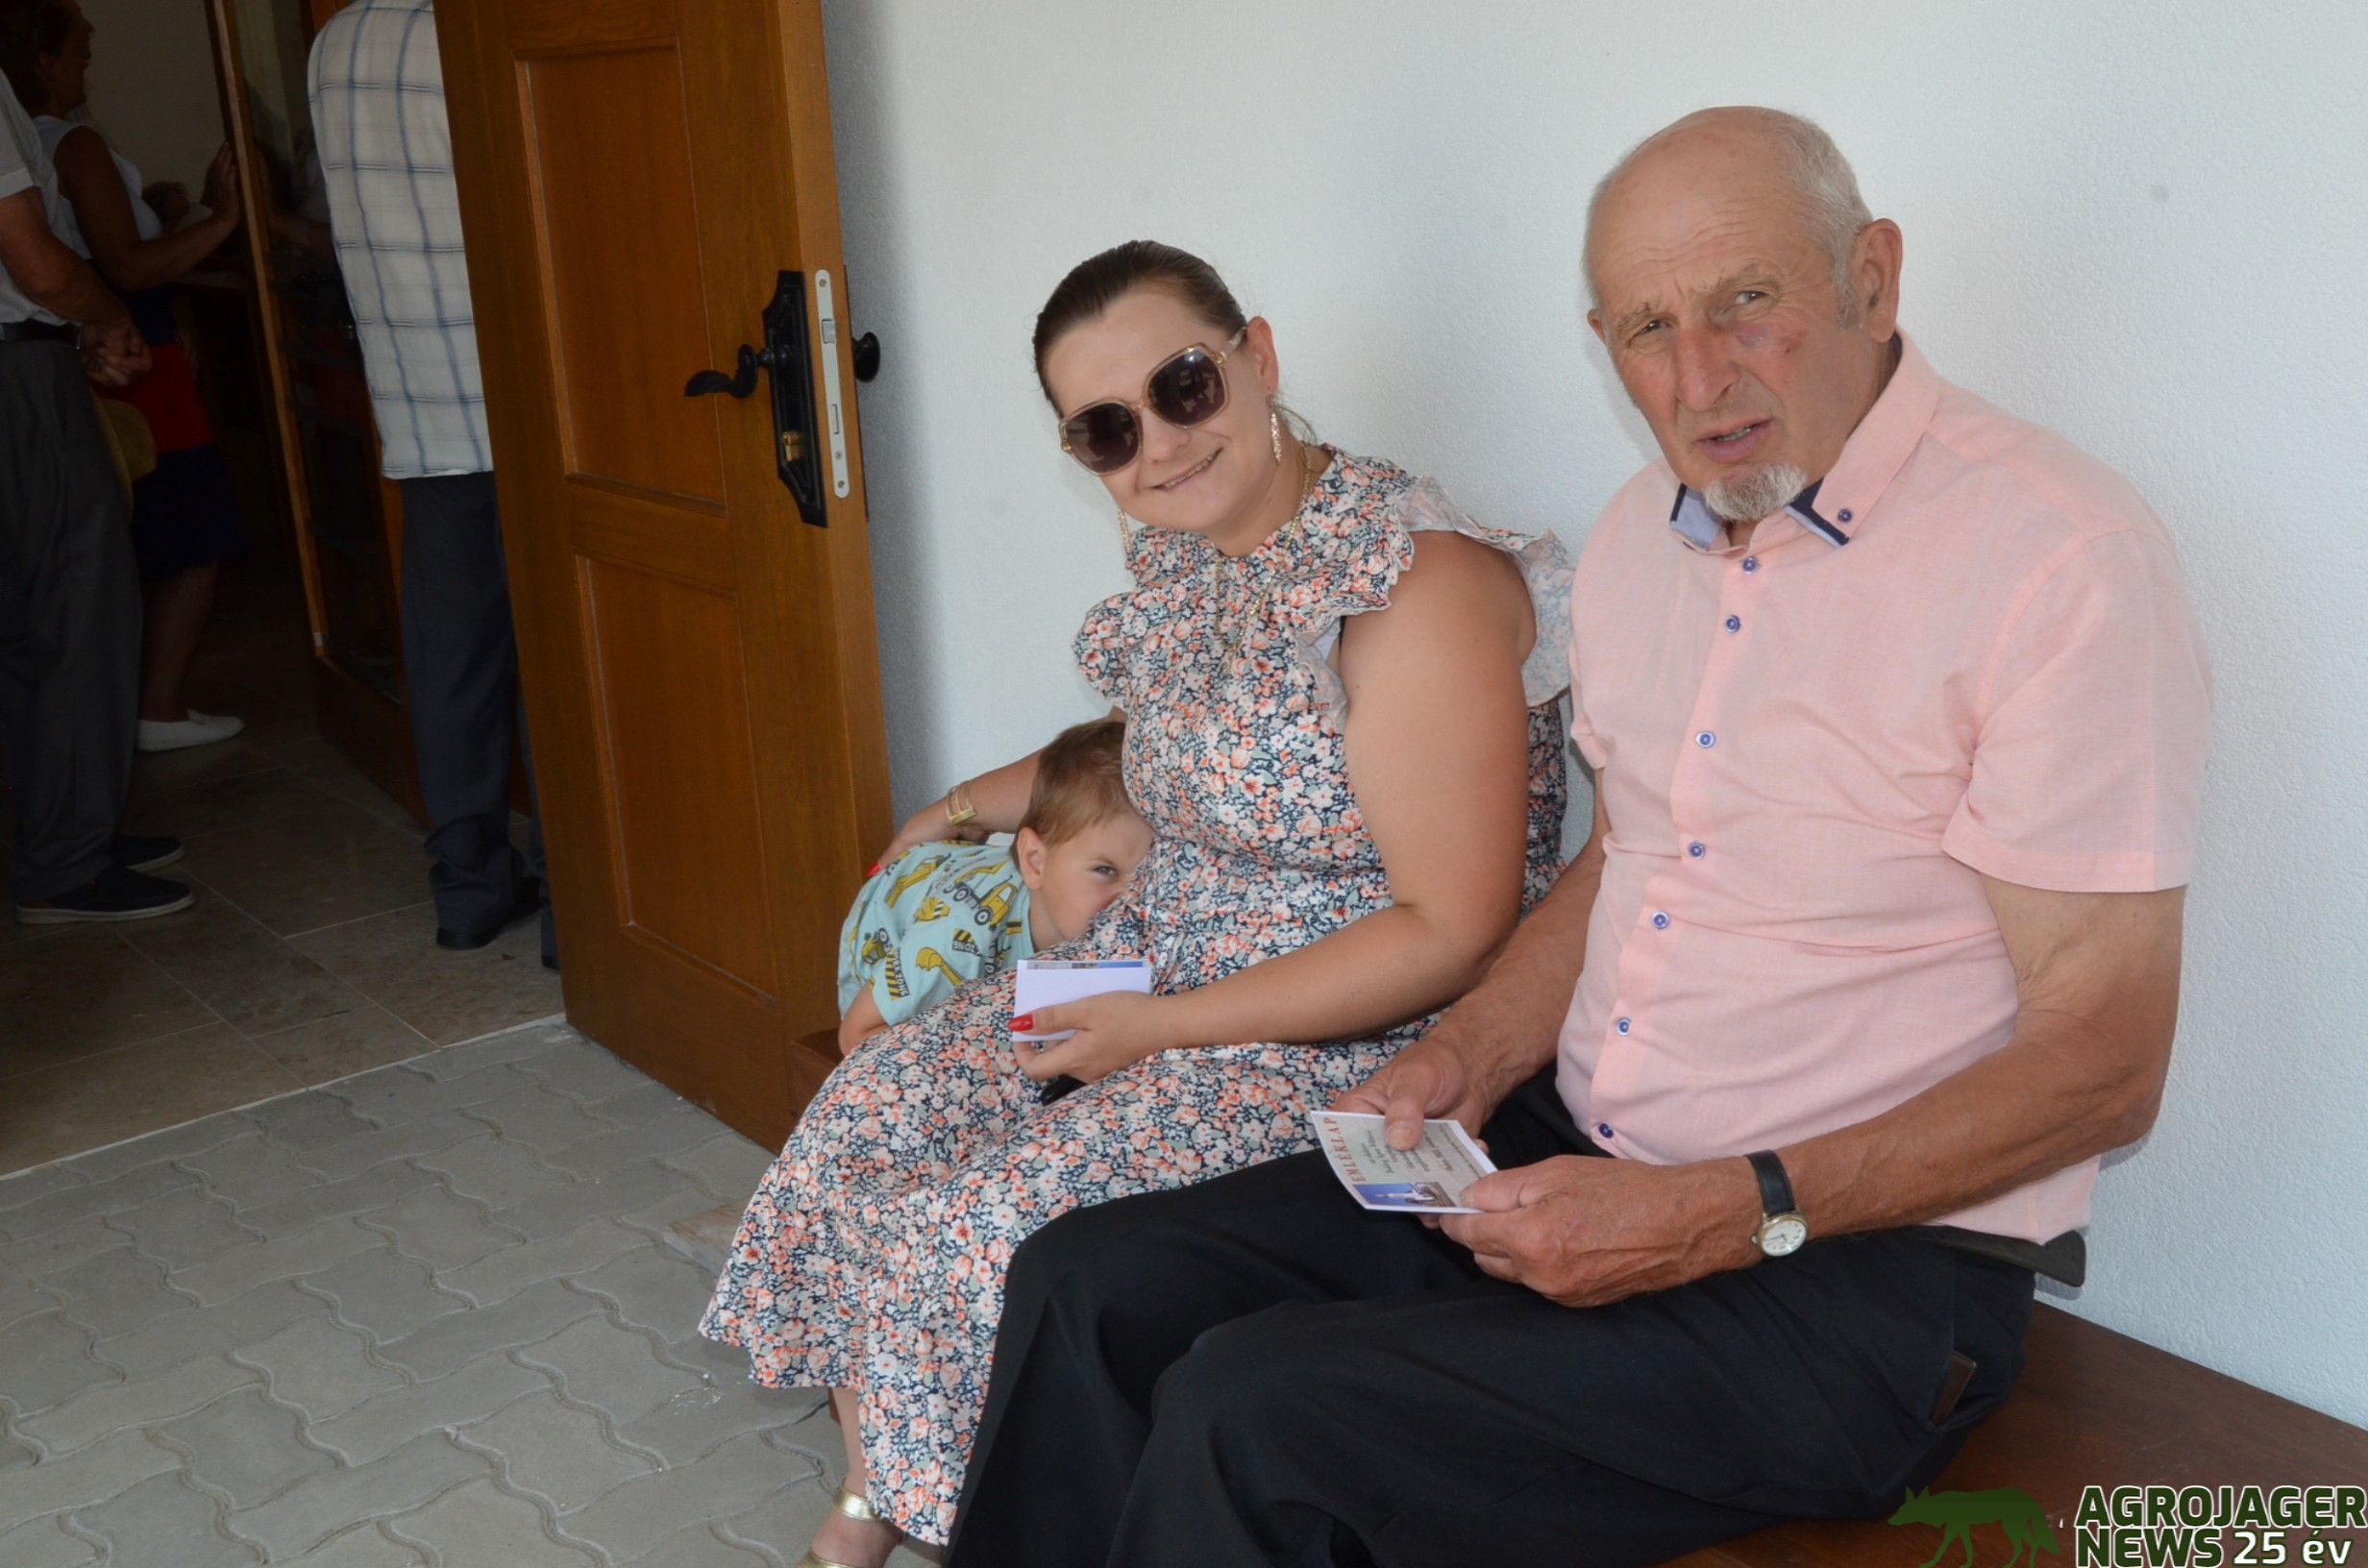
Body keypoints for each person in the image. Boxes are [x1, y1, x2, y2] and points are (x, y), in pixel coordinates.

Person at [946, 109, 2214, 1568]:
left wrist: (1718, 1212)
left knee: (1256, 1415)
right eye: (1646, 328)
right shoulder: (1639, 539)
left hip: (1847, 1271)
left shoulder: (2057, 560)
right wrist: (1469, 1054)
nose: (1698, 376)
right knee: (1088, 1282)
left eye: (1748, 299)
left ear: (1871, 279)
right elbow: (1624, 862)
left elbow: (2105, 1064)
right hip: (1571, 1152)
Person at [701, 238, 1573, 1568]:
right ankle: (880, 1497)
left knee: (978, 1231)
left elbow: (1455, 931)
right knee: (871, 1109)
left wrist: (1157, 1030)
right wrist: (956, 807)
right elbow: (1160, 743)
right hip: (1151, 961)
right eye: (1106, 429)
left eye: (1182, 386)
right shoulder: (1194, 553)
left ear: (1257, 357)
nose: (1157, 445)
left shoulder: (1407, 589)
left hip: (1335, 1023)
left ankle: (956, 1520)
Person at [308, 0, 552, 962]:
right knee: (556, 660)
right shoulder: (468, 33)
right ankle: (579, 913)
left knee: (451, 663)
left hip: (415, 397)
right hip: (517, 391)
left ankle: (468, 890)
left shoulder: (333, 43)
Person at [12, 0, 255, 753]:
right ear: (45, 61)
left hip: (93, 334)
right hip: (122, 339)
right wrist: (222, 220)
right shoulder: (73, 143)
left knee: (130, 528)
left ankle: (129, 710)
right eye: (80, 52)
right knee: (192, 524)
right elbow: (126, 266)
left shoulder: (33, 142)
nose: (88, 65)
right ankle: (158, 704)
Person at [0, 7, 188, 924]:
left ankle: (59, 828)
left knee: (23, 619)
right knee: (78, 605)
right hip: (15, 375)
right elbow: (35, 266)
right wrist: (105, 315)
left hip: (21, 356)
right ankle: (66, 860)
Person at [837, 716, 1151, 1057]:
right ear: (1035, 862)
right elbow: (856, 1033)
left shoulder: (1148, 923)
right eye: (1105, 870)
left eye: (1154, 874)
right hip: (892, 920)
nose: (1135, 898)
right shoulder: (958, 940)